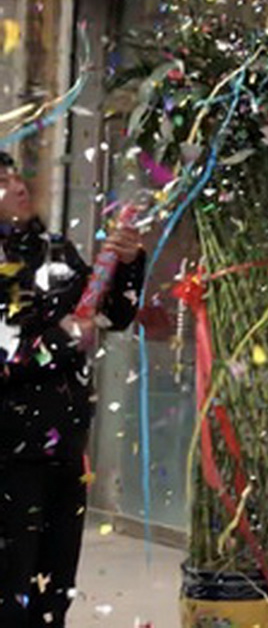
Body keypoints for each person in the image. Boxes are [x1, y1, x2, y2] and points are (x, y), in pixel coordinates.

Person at [0, 151, 146, 626]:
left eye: (16, 176)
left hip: (66, 447)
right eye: (2, 181)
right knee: (11, 589)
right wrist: (64, 338)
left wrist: (127, 264)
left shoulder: (54, 250)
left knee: (54, 588)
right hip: (10, 453)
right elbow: (8, 356)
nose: (18, 187)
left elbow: (111, 313)